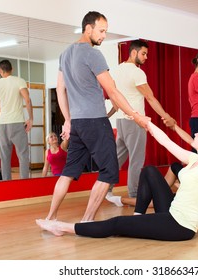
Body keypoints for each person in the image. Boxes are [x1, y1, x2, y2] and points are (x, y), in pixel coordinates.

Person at [36, 122, 198, 252]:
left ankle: (63, 227)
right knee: (150, 171)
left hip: (180, 227)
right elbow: (166, 142)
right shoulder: (195, 159)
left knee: (116, 223)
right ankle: (138, 216)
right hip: (172, 211)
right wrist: (146, 122)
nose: (193, 134)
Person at [44, 11, 150, 222]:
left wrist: (67, 119)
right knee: (109, 171)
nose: (103, 35)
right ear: (88, 28)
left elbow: (60, 89)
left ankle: (50, 217)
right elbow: (112, 91)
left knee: (68, 171)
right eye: (101, 31)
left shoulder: (65, 54)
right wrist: (135, 115)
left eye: (106, 31)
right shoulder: (92, 54)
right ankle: (87, 220)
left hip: (78, 123)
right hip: (95, 121)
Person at [107, 39, 176, 198]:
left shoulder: (116, 70)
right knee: (136, 160)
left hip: (121, 122)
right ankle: (134, 194)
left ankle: (105, 188)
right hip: (135, 122)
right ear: (133, 52)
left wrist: (108, 116)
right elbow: (150, 98)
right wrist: (166, 116)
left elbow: (115, 99)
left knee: (117, 159)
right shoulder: (137, 72)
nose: (146, 57)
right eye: (143, 53)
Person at [0, 59, 33, 180]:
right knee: (23, 156)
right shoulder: (19, 81)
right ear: (12, 69)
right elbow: (27, 100)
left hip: (3, 125)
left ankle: (6, 184)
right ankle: (24, 183)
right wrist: (30, 119)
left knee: (5, 157)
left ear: (0, 71)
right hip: (17, 123)